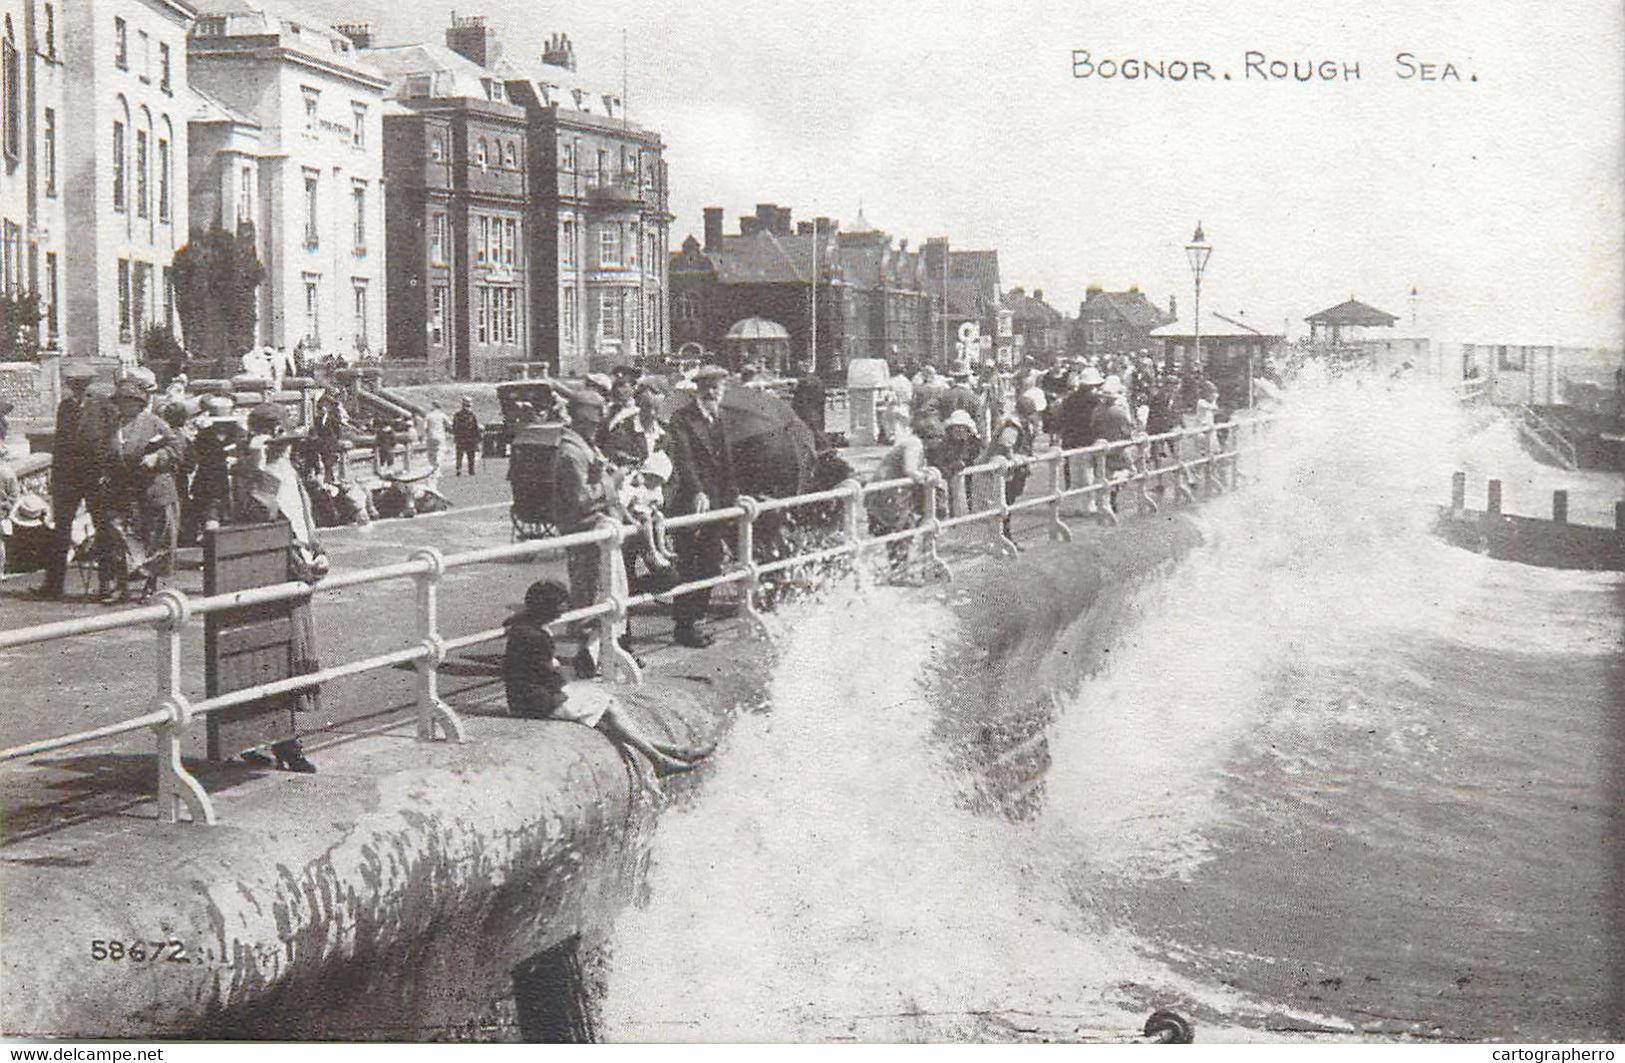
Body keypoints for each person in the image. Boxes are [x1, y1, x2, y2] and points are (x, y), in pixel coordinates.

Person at [503, 577, 710, 773]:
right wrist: (559, 668)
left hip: (524, 699)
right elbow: (554, 681)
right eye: (559, 606)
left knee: (605, 712)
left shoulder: (524, 627)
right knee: (608, 707)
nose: (563, 611)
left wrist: (557, 669)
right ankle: (660, 758)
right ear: (546, 608)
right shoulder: (537, 637)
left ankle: (669, 751)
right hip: (538, 703)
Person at [229, 401, 326, 774]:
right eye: (278, 441)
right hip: (271, 575)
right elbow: (258, 515)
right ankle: (281, 741)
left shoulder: (290, 471)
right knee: (271, 658)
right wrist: (257, 469)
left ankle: (278, 738)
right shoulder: (248, 474)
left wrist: (320, 552)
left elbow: (305, 520)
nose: (285, 447)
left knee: (293, 657)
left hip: (300, 572)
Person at [552, 388, 626, 677]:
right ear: (582, 420)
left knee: (602, 591)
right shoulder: (572, 452)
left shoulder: (585, 446)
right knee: (591, 592)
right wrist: (612, 482)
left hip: (597, 530)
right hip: (585, 531)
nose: (598, 429)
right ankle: (587, 655)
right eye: (595, 424)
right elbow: (581, 498)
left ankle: (595, 653)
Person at [93, 378, 183, 604]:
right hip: (123, 490)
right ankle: (121, 586)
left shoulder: (155, 423)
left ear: (139, 403)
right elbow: (106, 452)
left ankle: (152, 584)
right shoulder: (114, 425)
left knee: (157, 538)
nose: (123, 406)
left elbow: (177, 448)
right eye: (120, 402)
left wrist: (158, 457)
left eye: (128, 402)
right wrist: (105, 471)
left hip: (154, 489)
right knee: (120, 537)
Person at [666, 364, 736, 649]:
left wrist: (734, 497)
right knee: (689, 564)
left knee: (711, 563)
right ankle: (684, 625)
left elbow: (729, 464)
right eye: (706, 385)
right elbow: (684, 459)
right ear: (697, 388)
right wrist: (697, 491)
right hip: (691, 503)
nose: (712, 391)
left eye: (717, 386)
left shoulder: (720, 419)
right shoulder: (682, 419)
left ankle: (698, 619)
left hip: (717, 503)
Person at [35, 367, 98, 599]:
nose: (77, 387)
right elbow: (60, 443)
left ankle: (108, 585)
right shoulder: (65, 407)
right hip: (68, 478)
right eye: (73, 383)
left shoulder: (101, 406)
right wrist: (56, 472)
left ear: (89, 383)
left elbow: (106, 440)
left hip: (93, 475)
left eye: (82, 383)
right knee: (60, 529)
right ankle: (54, 585)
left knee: (104, 526)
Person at [867, 405, 932, 579]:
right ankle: (898, 572)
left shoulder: (910, 441)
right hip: (887, 489)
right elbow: (910, 469)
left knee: (900, 527)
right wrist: (923, 477)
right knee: (902, 526)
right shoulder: (914, 444)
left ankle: (897, 570)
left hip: (887, 487)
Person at [983, 389, 1042, 543]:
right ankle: (1004, 535)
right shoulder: (1013, 425)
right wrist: (1013, 458)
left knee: (1009, 501)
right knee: (1006, 501)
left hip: (1014, 469)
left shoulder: (1021, 423)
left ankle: (1003, 534)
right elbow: (1006, 444)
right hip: (1006, 469)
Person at [618, 450, 674, 574]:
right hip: (635, 514)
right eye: (656, 480)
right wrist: (632, 520)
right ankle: (651, 550)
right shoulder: (634, 486)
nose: (657, 485)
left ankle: (661, 545)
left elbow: (656, 502)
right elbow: (622, 504)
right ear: (649, 475)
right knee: (646, 520)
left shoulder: (654, 488)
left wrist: (654, 507)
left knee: (659, 517)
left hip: (647, 512)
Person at [790, 357, 826, 439]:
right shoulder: (817, 380)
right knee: (816, 429)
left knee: (810, 430)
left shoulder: (807, 381)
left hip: (807, 411)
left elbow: (797, 392)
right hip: (814, 411)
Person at [451, 396, 482, 476]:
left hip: (461, 438)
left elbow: (454, 427)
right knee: (470, 456)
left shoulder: (457, 415)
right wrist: (478, 438)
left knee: (460, 455)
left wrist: (455, 436)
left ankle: (459, 469)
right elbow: (476, 427)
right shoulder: (471, 415)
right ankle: (471, 470)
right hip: (469, 438)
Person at [423, 400, 449, 473]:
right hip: (440, 435)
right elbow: (449, 424)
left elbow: (425, 427)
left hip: (430, 436)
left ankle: (433, 467)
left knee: (431, 453)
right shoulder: (442, 415)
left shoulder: (428, 415)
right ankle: (437, 468)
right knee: (440, 451)